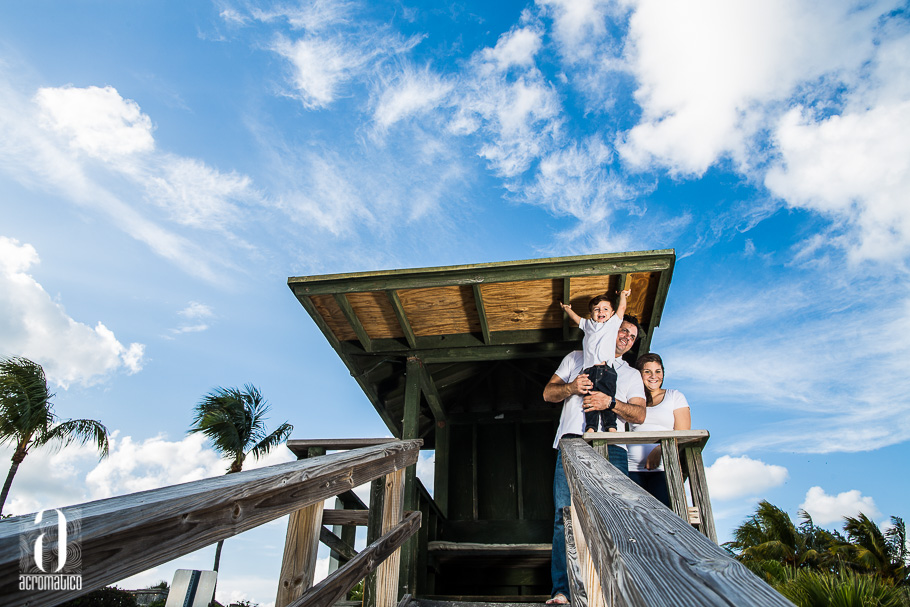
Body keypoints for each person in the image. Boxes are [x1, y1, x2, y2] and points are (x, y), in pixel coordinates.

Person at [541, 316, 646, 605]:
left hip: (613, 447)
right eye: (623, 330)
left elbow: (639, 415)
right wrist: (572, 388)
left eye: (632, 336)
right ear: (609, 327)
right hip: (572, 442)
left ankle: (616, 592)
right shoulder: (575, 358)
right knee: (565, 516)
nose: (626, 337)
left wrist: (610, 403)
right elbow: (549, 393)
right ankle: (563, 590)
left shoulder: (630, 373)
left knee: (618, 517)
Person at [559, 289, 631, 433]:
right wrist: (567, 309)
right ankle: (591, 427)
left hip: (607, 370)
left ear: (611, 313)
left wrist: (622, 296)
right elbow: (576, 318)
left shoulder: (613, 324)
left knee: (608, 398)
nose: (600, 312)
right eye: (596, 309)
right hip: (589, 371)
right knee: (590, 398)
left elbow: (622, 308)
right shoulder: (587, 325)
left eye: (605, 309)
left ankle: (611, 427)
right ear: (591, 314)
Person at [627, 353, 691, 508]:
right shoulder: (632, 398)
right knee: (634, 519)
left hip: (663, 468)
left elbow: (683, 432)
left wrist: (660, 449)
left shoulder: (674, 396)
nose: (653, 376)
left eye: (658, 371)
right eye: (647, 371)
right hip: (630, 469)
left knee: (664, 516)